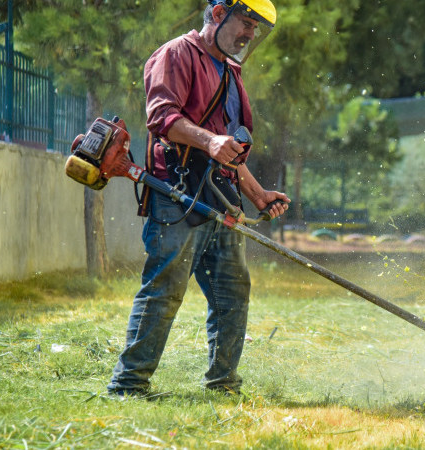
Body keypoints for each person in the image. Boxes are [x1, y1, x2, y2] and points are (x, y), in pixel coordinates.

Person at [107, 0, 289, 397]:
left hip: (220, 199)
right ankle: (128, 385)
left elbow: (229, 149)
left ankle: (223, 383)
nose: (250, 34)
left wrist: (258, 196)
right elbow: (163, 119)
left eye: (256, 29)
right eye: (246, 22)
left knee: (232, 293)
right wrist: (210, 141)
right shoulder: (176, 54)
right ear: (219, 13)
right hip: (177, 195)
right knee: (165, 290)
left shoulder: (229, 70)